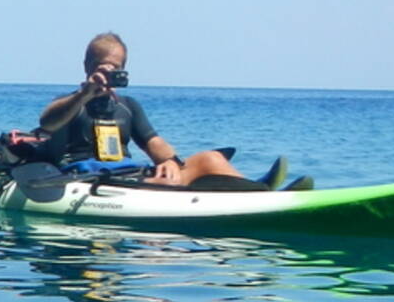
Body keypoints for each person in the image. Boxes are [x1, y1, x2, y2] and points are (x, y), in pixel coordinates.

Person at [38, 32, 294, 188]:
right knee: (167, 183)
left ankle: (260, 191)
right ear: (87, 65)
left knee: (211, 159)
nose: (108, 73)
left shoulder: (128, 107)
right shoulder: (69, 104)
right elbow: (48, 123)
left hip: (129, 173)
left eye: (114, 68)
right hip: (90, 179)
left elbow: (154, 142)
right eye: (101, 66)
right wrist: (85, 93)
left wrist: (170, 162)